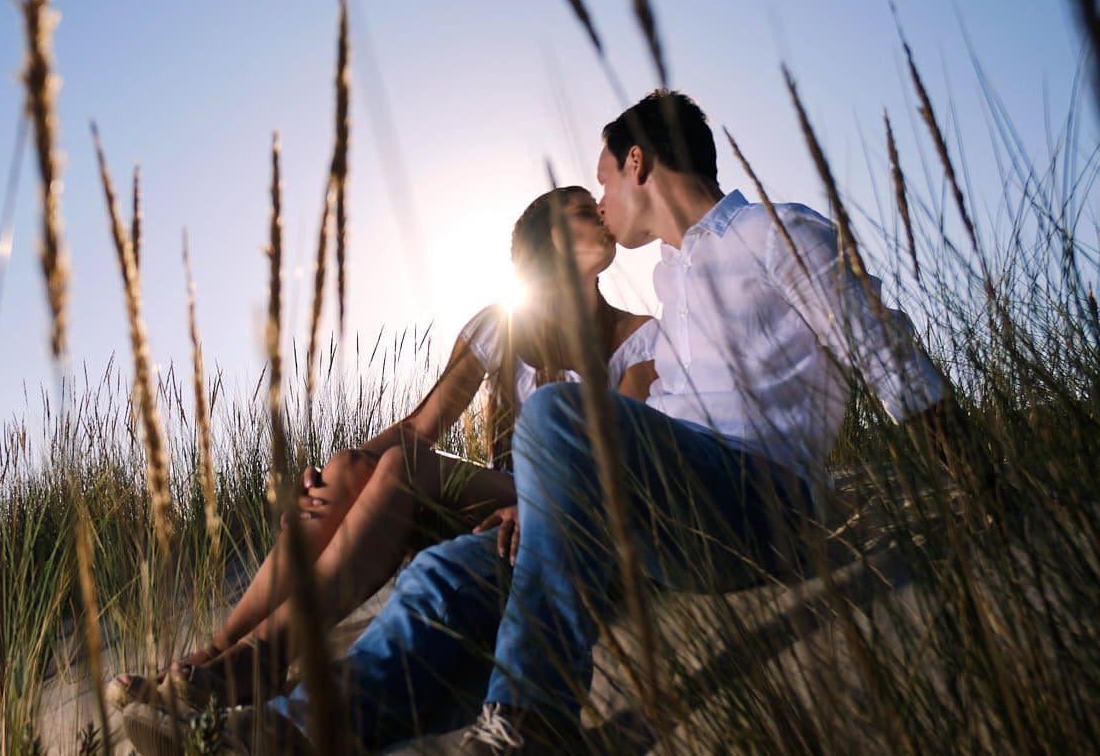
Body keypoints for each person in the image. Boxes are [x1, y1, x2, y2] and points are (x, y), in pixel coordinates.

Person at [171, 89, 952, 755]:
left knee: (554, 412)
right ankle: (287, 729)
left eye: (604, 177)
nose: (603, 199)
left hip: (764, 503)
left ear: (638, 161)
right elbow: (630, 430)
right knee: (448, 577)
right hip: (664, 518)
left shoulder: (776, 234)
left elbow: (888, 354)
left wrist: (979, 478)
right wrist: (545, 494)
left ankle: (529, 715)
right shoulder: (673, 283)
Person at [109, 186, 658, 713]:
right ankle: (213, 653)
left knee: (402, 463)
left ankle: (261, 659)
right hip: (489, 508)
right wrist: (334, 471)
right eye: (585, 210)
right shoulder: (503, 326)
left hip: (562, 510)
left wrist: (537, 502)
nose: (603, 217)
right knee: (353, 466)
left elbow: (621, 458)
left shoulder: (637, 338)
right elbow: (423, 426)